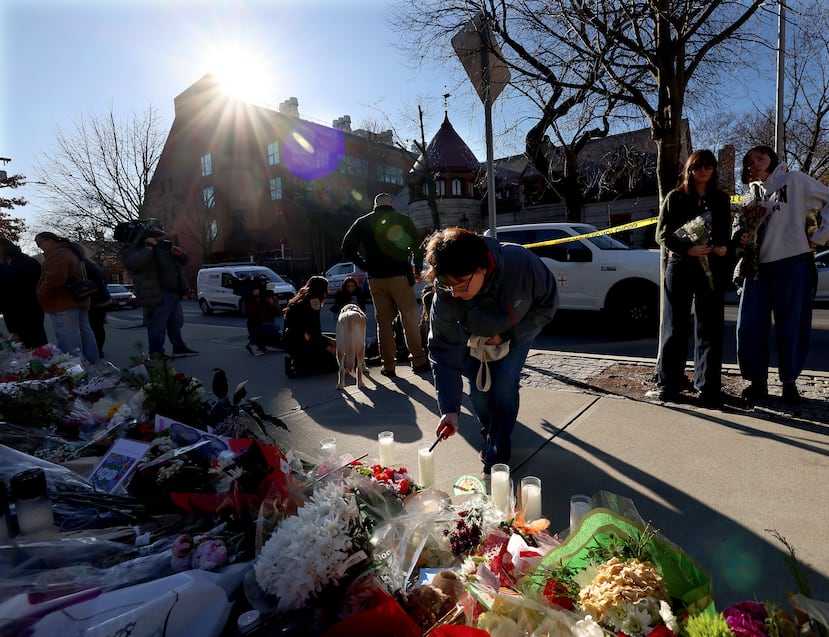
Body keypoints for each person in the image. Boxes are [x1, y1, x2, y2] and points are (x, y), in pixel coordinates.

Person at [426, 227, 558, 476]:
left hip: (516, 334)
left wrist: (508, 336)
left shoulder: (522, 264)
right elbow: (442, 348)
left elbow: (548, 304)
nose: (456, 294)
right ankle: (491, 433)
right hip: (473, 338)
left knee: (504, 387)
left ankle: (498, 454)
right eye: (448, 286)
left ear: (482, 268)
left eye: (461, 285)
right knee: (480, 396)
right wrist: (449, 410)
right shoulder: (446, 293)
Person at [736, 144, 829, 404]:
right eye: (750, 161)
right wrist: (742, 237)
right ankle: (758, 383)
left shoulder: (795, 180)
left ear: (772, 158)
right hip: (757, 267)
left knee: (791, 326)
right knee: (749, 327)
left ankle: (790, 383)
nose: (755, 163)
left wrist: (820, 236)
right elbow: (741, 227)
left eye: (761, 157)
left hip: (792, 262)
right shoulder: (749, 195)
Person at [648, 149, 732, 406]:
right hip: (681, 265)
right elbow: (661, 234)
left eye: (707, 166)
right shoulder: (676, 197)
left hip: (710, 268)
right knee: (675, 326)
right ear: (689, 169)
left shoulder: (721, 199)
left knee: (709, 328)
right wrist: (687, 249)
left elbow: (725, 233)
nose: (702, 170)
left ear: (714, 169)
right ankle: (669, 384)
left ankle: (707, 386)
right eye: (697, 166)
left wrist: (722, 247)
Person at [341, 193, 429, 378]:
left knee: (384, 322)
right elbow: (417, 247)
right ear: (390, 203)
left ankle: (388, 365)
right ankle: (418, 360)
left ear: (375, 204)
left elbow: (347, 247)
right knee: (409, 319)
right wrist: (417, 269)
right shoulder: (402, 219)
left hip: (376, 278)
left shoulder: (362, 222)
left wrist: (366, 265)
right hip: (400, 276)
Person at [120, 229, 198, 360]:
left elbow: (184, 261)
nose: (158, 237)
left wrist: (180, 254)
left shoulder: (163, 247)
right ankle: (156, 353)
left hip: (172, 290)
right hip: (156, 292)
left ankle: (179, 348)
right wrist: (148, 248)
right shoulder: (136, 248)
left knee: (176, 322)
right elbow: (132, 263)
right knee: (157, 325)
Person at [33, 232, 99, 363]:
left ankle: (75, 370)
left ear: (51, 240)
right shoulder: (70, 251)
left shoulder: (58, 254)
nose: (40, 247)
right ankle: (92, 365)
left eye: (40, 243)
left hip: (63, 302)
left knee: (69, 340)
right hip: (76, 300)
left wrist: (42, 293)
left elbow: (55, 278)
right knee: (85, 334)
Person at [282, 275, 338, 377]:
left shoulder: (302, 298)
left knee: (331, 338)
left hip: (291, 340)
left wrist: (329, 341)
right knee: (332, 365)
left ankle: (298, 362)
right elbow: (314, 332)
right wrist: (329, 347)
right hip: (300, 341)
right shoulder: (314, 302)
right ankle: (300, 366)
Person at [0, 237, 48, 348]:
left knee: (36, 342)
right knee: (19, 344)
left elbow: (37, 284)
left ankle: (43, 361)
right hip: (10, 312)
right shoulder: (2, 266)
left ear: (6, 248)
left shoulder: (27, 262)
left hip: (29, 310)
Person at [245, 287, 282, 357]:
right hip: (257, 328)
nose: (271, 300)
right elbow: (252, 316)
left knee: (278, 334)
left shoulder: (268, 305)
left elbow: (277, 313)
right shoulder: (257, 303)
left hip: (265, 329)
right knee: (272, 327)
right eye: (269, 298)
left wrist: (273, 304)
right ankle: (253, 344)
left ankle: (267, 344)